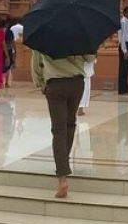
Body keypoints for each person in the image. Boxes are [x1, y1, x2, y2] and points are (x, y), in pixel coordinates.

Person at [32, 48, 90, 199]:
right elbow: (89, 58)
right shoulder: (78, 32)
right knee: (70, 125)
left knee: (58, 131)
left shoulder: (43, 35)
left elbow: (36, 64)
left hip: (55, 84)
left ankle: (62, 177)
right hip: (76, 83)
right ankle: (64, 161)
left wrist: (40, 84)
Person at [116, 7, 128, 95]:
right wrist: (124, 50)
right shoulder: (123, 22)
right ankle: (123, 90)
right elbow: (121, 37)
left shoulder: (127, 22)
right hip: (124, 45)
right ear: (125, 13)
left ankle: (124, 89)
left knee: (125, 68)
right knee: (123, 68)